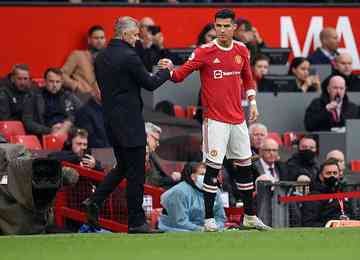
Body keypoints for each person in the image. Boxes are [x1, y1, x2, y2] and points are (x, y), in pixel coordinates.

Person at [159, 9, 270, 231]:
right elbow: (180, 76)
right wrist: (170, 70)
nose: (221, 30)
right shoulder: (205, 51)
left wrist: (253, 102)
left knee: (245, 168)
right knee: (212, 169)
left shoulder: (241, 50)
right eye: (218, 26)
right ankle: (209, 220)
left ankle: (249, 216)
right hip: (215, 121)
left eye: (226, 26)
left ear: (234, 28)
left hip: (238, 119)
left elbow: (248, 79)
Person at [83, 16, 171, 234]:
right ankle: (136, 222)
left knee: (123, 166)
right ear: (124, 35)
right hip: (130, 122)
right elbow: (150, 83)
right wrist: (167, 72)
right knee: (136, 173)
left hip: (110, 120)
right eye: (133, 36)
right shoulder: (130, 56)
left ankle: (94, 200)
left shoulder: (101, 57)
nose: (136, 40)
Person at [158, 162, 226, 232]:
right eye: (202, 174)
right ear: (193, 177)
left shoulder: (214, 190)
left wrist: (216, 227)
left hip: (204, 231)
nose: (207, 177)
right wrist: (202, 229)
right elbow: (180, 222)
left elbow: (220, 217)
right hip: (177, 230)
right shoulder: (179, 192)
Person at [22, 68, 80, 136]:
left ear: (62, 82)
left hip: (68, 133)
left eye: (57, 82)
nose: (54, 85)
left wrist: (65, 127)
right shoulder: (34, 96)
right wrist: (49, 130)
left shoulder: (68, 96)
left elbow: (83, 112)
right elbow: (28, 122)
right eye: (51, 81)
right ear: (45, 81)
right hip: (45, 134)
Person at [302, 159, 353, 227]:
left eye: (335, 173)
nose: (332, 176)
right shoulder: (314, 197)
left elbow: (353, 215)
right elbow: (309, 223)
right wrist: (330, 226)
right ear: (321, 176)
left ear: (339, 175)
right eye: (328, 173)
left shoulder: (344, 193)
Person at [62, 25, 106, 100]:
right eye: (96, 38)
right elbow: (62, 75)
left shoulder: (109, 57)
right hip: (83, 100)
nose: (99, 41)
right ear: (89, 40)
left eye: (102, 38)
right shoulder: (78, 55)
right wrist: (75, 86)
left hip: (104, 101)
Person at [145, 122, 181, 189]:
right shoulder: (140, 155)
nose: (158, 144)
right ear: (146, 136)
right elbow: (151, 182)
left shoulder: (151, 155)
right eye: (156, 140)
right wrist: (172, 178)